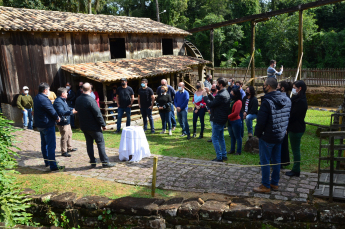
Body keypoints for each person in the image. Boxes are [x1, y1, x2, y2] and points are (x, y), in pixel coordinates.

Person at [253, 78, 291, 193]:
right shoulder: (287, 99)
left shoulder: (267, 101)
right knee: (276, 160)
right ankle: (274, 183)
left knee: (265, 161)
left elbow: (261, 121)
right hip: (280, 135)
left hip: (268, 136)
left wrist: (258, 134)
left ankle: (265, 185)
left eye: (264, 85)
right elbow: (287, 117)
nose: (263, 87)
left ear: (268, 86)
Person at [75, 83, 116, 168]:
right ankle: (105, 162)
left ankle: (93, 161)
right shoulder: (91, 100)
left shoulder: (78, 99)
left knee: (89, 143)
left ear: (82, 89)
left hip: (84, 125)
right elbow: (98, 114)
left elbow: (77, 110)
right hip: (93, 126)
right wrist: (103, 124)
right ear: (90, 90)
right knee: (100, 143)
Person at [34, 82, 64, 171]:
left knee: (44, 144)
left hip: (40, 124)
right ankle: (53, 165)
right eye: (48, 90)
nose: (49, 91)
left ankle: (47, 162)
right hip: (46, 124)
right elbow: (51, 110)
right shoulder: (43, 99)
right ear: (45, 90)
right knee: (51, 145)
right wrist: (57, 117)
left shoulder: (36, 97)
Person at [203, 77, 231, 162]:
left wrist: (205, 97)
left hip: (218, 119)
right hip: (222, 119)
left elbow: (211, 104)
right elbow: (216, 101)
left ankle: (219, 157)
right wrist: (208, 93)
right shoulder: (225, 92)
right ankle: (224, 155)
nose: (216, 86)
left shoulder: (222, 94)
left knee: (214, 138)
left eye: (217, 84)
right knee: (221, 138)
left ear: (221, 85)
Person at [285, 80, 308, 177]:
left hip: (296, 128)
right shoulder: (296, 98)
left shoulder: (301, 101)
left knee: (295, 149)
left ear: (300, 89)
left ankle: (296, 169)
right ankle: (295, 168)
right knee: (295, 148)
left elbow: (293, 115)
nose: (293, 89)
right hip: (294, 127)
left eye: (294, 87)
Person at [54, 87, 78, 157]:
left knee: (69, 134)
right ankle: (64, 151)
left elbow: (66, 108)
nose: (67, 93)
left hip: (67, 121)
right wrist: (71, 112)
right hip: (62, 122)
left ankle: (69, 148)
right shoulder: (58, 101)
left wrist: (72, 109)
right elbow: (61, 112)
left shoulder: (63, 100)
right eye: (66, 92)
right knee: (64, 136)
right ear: (62, 94)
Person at [277, 81, 293, 168]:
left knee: (281, 145)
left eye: (278, 86)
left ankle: (280, 162)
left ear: (282, 88)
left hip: (282, 125)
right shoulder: (287, 98)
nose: (277, 87)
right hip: (283, 125)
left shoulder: (283, 99)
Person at [227, 88, 243, 155]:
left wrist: (227, 116)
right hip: (230, 121)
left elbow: (236, 113)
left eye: (232, 92)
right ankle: (232, 149)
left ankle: (238, 151)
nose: (231, 93)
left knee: (238, 137)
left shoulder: (238, 102)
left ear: (236, 94)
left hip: (236, 121)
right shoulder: (231, 101)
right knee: (232, 136)